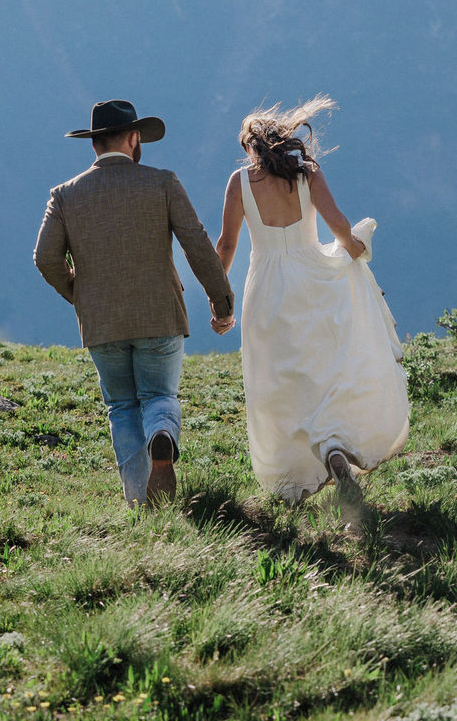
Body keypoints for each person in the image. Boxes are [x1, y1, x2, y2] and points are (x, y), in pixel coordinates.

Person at [34, 99, 234, 507]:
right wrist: (222, 301)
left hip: (102, 323)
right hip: (160, 315)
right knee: (159, 396)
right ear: (133, 137)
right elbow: (196, 242)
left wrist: (80, 294)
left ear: (93, 144)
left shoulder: (64, 195)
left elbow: (45, 257)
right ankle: (162, 432)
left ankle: (141, 505)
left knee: (122, 406)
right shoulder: (161, 182)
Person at [213, 96, 409, 508]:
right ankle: (333, 448)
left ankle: (298, 475)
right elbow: (338, 225)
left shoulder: (239, 183)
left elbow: (227, 244)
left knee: (281, 382)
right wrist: (358, 257)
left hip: (265, 286)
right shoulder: (308, 174)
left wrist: (220, 301)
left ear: (250, 146)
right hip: (313, 277)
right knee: (324, 372)